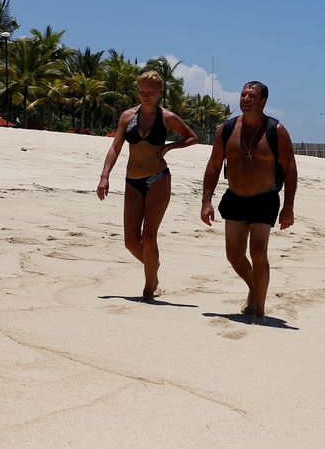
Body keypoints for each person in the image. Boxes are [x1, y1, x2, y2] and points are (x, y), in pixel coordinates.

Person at [200, 81, 298, 321]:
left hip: (265, 199)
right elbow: (214, 166)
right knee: (234, 256)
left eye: (252, 96)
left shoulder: (277, 130)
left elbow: (290, 169)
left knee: (258, 253)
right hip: (235, 197)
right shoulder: (227, 129)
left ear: (263, 101)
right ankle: (254, 289)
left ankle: (259, 311)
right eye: (243, 95)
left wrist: (288, 207)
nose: (246, 99)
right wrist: (206, 201)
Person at [96, 70, 198, 299]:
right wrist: (105, 176)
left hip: (158, 179)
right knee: (131, 241)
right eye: (142, 91)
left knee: (149, 236)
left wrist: (170, 147)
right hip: (132, 181)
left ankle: (148, 288)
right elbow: (115, 147)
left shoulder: (167, 117)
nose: (145, 95)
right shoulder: (127, 116)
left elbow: (192, 137)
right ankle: (153, 265)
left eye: (150, 92)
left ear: (160, 92)